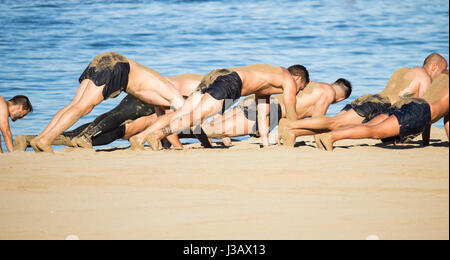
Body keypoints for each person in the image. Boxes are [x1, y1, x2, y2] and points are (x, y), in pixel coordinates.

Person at [278, 53, 448, 147]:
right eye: (442, 70)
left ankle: (294, 132)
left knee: (341, 124)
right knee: (335, 123)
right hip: (380, 104)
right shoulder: (424, 76)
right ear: (434, 66)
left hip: (371, 99)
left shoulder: (404, 71)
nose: (440, 76)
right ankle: (291, 125)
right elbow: (424, 106)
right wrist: (425, 141)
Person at [30, 52, 186, 153]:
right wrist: (181, 145)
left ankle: (40, 138)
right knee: (84, 107)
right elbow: (176, 119)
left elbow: (160, 121)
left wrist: (160, 143)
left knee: (75, 104)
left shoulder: (164, 98)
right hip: (118, 67)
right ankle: (46, 140)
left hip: (107, 59)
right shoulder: (177, 98)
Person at [129, 64, 310, 150]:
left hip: (220, 74)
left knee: (185, 111)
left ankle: (140, 137)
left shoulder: (270, 78)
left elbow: (263, 115)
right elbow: (291, 109)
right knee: (197, 116)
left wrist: (266, 143)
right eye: (300, 88)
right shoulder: (288, 79)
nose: (296, 92)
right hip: (231, 82)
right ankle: (158, 135)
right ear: (298, 79)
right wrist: (295, 132)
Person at [15, 74, 212, 151]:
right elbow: (182, 120)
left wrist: (205, 143)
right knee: (98, 131)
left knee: (99, 129)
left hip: (144, 101)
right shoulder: (200, 91)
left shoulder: (199, 82)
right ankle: (37, 139)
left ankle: (35, 138)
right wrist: (179, 146)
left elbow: (183, 119)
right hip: (142, 102)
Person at [315, 71, 449, 151]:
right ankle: (331, 136)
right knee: (375, 131)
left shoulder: (444, 74)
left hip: (409, 102)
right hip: (420, 110)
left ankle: (330, 133)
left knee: (368, 126)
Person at [200, 79, 352, 147]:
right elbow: (318, 121)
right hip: (271, 111)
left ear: (333, 83)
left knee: (210, 126)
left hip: (260, 99)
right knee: (213, 131)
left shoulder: (314, 84)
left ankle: (182, 125)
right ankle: (179, 130)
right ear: (340, 99)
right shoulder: (329, 94)